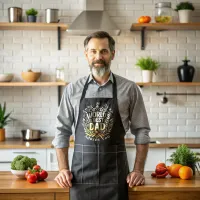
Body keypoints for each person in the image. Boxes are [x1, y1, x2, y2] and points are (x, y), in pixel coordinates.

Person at [52, 31, 150, 200]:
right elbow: (62, 131)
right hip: (80, 178)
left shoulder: (129, 89)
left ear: (112, 54)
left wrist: (138, 170)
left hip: (116, 177)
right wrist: (62, 170)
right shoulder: (72, 89)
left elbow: (142, 131)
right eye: (93, 51)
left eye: (104, 51)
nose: (98, 56)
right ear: (86, 54)